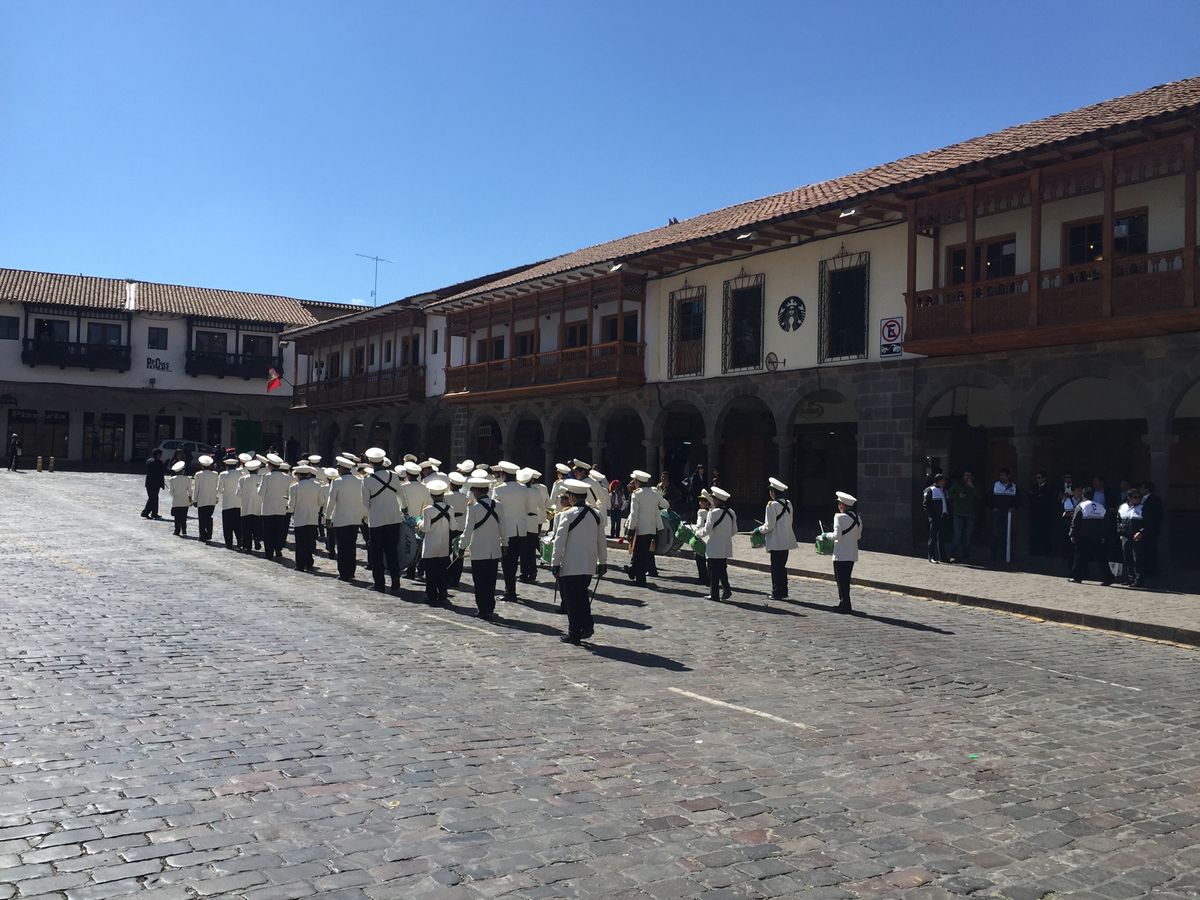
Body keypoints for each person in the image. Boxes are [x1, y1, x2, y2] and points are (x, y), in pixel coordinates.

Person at [551, 478, 607, 645]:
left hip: (570, 564)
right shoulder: (596, 515)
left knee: (571, 600)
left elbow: (559, 541)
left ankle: (574, 632)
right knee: (582, 596)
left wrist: (555, 563)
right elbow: (601, 540)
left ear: (572, 497)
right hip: (588, 564)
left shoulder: (566, 515)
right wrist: (602, 561)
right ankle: (587, 625)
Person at [460, 476, 505, 620]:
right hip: (494, 549)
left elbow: (468, 530)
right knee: (491, 581)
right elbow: (503, 527)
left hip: (479, 550)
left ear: (477, 491)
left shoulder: (473, 508)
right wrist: (505, 543)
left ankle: (482, 609)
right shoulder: (498, 505)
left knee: (479, 582)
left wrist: (462, 546)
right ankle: (490, 607)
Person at [362, 447, 404, 593]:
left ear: (370, 462)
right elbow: (401, 496)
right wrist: (402, 509)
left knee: (377, 554)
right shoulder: (394, 476)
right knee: (392, 552)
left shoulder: (367, 481)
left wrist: (373, 512)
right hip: (394, 519)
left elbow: (365, 503)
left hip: (377, 522)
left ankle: (379, 584)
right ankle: (395, 582)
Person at [326, 456, 366, 582]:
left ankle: (344, 573)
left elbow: (330, 501)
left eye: (338, 467)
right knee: (351, 546)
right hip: (355, 518)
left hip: (341, 519)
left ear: (342, 468)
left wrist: (327, 517)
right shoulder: (360, 481)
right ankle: (351, 571)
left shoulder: (337, 481)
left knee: (342, 547)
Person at [626, 470, 669, 586]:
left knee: (638, 554)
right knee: (645, 554)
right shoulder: (654, 492)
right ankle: (635, 573)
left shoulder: (637, 494)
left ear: (637, 482)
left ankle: (639, 578)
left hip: (640, 530)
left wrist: (630, 530)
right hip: (652, 529)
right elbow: (666, 505)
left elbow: (634, 514)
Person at [491, 461, 527, 602]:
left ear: (504, 474)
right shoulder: (523, 488)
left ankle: (510, 591)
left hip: (506, 529)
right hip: (520, 530)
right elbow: (528, 507)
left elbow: (494, 509)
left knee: (507, 563)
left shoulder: (499, 489)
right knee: (515, 561)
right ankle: (511, 590)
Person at [756, 477, 796, 601]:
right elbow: (790, 521)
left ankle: (776, 592)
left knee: (775, 567)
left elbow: (769, 525)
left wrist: (759, 530)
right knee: (782, 567)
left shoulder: (771, 505)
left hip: (776, 540)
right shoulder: (788, 503)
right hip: (787, 540)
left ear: (773, 492)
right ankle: (784, 591)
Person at [823, 492, 861, 612]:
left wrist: (826, 535)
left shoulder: (839, 517)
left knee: (841, 580)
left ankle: (844, 604)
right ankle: (845, 603)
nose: (839, 506)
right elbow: (858, 536)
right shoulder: (857, 517)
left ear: (843, 505)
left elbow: (836, 536)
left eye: (840, 503)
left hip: (840, 554)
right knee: (846, 580)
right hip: (852, 553)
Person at [697, 486, 736, 602]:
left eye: (713, 498)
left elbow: (707, 530)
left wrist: (697, 533)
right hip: (725, 547)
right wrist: (724, 537)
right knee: (722, 569)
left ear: (718, 500)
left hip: (714, 546)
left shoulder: (712, 513)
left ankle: (714, 594)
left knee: (713, 571)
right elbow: (734, 531)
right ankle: (726, 590)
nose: (712, 500)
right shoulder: (731, 512)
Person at [1068, 487, 1113, 585]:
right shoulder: (1100, 506)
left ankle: (1077, 577)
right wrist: (1104, 535)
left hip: (1083, 536)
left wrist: (1072, 534)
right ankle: (1109, 578)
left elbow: (1075, 521)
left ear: (1083, 495)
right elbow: (1106, 523)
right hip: (1097, 537)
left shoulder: (1081, 506)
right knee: (1101, 559)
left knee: (1080, 557)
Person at [421, 479, 454, 607]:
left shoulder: (427, 510)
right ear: (442, 495)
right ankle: (443, 594)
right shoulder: (450, 509)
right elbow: (453, 527)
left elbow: (426, 528)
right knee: (442, 572)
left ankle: (431, 595)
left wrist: (419, 523)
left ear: (431, 495)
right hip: (444, 546)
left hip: (430, 546)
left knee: (430, 573)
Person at [399, 461, 431, 580]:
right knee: (418, 546)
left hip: (406, 520)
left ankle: (407, 568)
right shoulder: (424, 488)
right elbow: (428, 504)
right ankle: (415, 568)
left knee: (406, 545)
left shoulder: (403, 487)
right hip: (420, 519)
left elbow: (400, 505)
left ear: (407, 474)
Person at [289, 464, 324, 572]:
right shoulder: (318, 485)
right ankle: (309, 563)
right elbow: (322, 501)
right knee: (310, 542)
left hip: (300, 518)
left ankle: (300, 564)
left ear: (298, 475)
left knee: (300, 543)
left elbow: (291, 505)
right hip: (313, 518)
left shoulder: (295, 487)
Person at [258, 453, 291, 560]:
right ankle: (278, 550)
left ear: (270, 465)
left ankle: (269, 552)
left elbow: (261, 493)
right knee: (279, 531)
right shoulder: (287, 477)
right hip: (281, 508)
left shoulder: (266, 477)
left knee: (268, 532)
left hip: (268, 508)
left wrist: (258, 487)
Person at [947, 470, 981, 561]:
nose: (967, 477)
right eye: (965, 475)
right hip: (958, 513)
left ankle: (965, 554)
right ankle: (953, 553)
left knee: (967, 536)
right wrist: (958, 495)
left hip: (971, 514)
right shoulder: (957, 484)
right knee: (957, 535)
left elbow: (980, 497)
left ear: (972, 477)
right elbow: (949, 495)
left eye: (969, 475)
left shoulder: (976, 486)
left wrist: (972, 487)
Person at [517, 468, 542, 584]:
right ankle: (533, 572)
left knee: (523, 549)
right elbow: (541, 506)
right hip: (533, 521)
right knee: (531, 549)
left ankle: (524, 573)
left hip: (522, 520)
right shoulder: (536, 491)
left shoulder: (520, 491)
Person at [1117, 488, 1146, 588]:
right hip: (1125, 536)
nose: (1137, 499)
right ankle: (1130, 578)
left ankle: (1139, 580)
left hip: (1136, 536)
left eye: (1139, 497)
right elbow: (1119, 520)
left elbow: (1148, 522)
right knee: (1127, 558)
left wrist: (1141, 532)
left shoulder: (1143, 508)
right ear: (1129, 498)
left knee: (1137, 559)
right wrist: (1120, 533)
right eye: (1135, 497)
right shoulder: (1123, 507)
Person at [445, 471, 469, 588]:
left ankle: (446, 575)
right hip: (460, 527)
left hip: (448, 526)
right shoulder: (466, 498)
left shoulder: (445, 496)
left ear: (450, 484)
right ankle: (455, 580)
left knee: (445, 552)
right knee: (458, 555)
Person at [990, 469, 1018, 563]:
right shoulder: (995, 485)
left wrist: (1013, 507)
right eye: (1000, 475)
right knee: (995, 533)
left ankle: (1005, 555)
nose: (1002, 477)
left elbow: (1018, 500)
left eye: (1004, 475)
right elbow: (988, 497)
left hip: (1008, 514)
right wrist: (993, 507)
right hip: (997, 513)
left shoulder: (1013, 487)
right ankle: (993, 555)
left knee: (1006, 534)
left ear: (1008, 476)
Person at [1139, 481, 1163, 587]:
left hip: (1150, 530)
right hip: (1142, 529)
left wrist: (1149, 528)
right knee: (1143, 552)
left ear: (1147, 489)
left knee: (1151, 551)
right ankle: (1144, 571)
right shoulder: (1141, 499)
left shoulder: (1154, 500)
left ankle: (1151, 572)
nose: (1140, 489)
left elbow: (1157, 516)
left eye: (1142, 487)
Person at [237, 458, 265, 552]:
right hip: (258, 507)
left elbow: (238, 494)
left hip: (246, 507)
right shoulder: (262, 478)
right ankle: (257, 538)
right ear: (257, 470)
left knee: (246, 528)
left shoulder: (242, 480)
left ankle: (247, 546)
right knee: (257, 525)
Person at [922, 473, 951, 564]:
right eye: (943, 480)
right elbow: (926, 505)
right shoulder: (930, 490)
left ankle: (942, 556)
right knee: (933, 537)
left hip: (943, 516)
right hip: (935, 517)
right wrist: (932, 516)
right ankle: (932, 556)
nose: (945, 482)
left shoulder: (944, 490)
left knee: (942, 538)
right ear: (938, 481)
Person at [1027, 471, 1057, 557]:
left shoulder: (1049, 488)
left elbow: (1048, 499)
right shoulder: (1033, 487)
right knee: (1034, 532)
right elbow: (1030, 496)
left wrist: (1038, 497)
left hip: (1045, 514)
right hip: (1034, 514)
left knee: (1045, 533)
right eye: (1037, 478)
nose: (1038, 480)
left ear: (1044, 478)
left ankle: (1046, 551)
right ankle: (1035, 551)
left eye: (1040, 478)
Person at [217, 456, 242, 549]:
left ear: (226, 466)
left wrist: (224, 491)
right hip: (238, 502)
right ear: (235, 465)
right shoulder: (240, 473)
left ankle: (229, 543)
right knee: (238, 524)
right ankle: (240, 540)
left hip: (227, 503)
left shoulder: (223, 475)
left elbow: (219, 490)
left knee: (227, 525)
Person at [192, 455, 219, 542]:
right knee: (209, 517)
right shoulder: (215, 474)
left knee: (202, 518)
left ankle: (202, 534)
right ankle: (209, 534)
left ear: (201, 465)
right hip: (211, 499)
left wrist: (194, 500)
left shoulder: (198, 475)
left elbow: (196, 488)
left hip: (201, 500)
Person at [166, 461, 192, 536]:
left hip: (176, 501)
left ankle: (177, 530)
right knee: (184, 516)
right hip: (185, 500)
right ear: (183, 470)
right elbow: (190, 490)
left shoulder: (172, 479)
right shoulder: (187, 479)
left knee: (177, 517)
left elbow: (171, 491)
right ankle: (184, 530)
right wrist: (190, 497)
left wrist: (175, 496)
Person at [692, 491, 711, 585]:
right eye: (700, 501)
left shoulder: (701, 512)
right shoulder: (712, 512)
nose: (700, 503)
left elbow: (699, 525)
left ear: (708, 502)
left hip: (701, 536)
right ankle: (708, 577)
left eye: (703, 501)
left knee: (699, 558)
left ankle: (702, 578)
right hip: (710, 538)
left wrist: (694, 529)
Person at [141, 449, 167, 519]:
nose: (160, 456)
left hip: (156, 483)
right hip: (151, 483)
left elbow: (161, 474)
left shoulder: (158, 462)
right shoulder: (151, 462)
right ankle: (145, 512)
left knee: (155, 498)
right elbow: (159, 473)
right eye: (159, 454)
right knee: (152, 498)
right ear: (155, 454)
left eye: (160, 454)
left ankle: (154, 513)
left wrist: (162, 484)